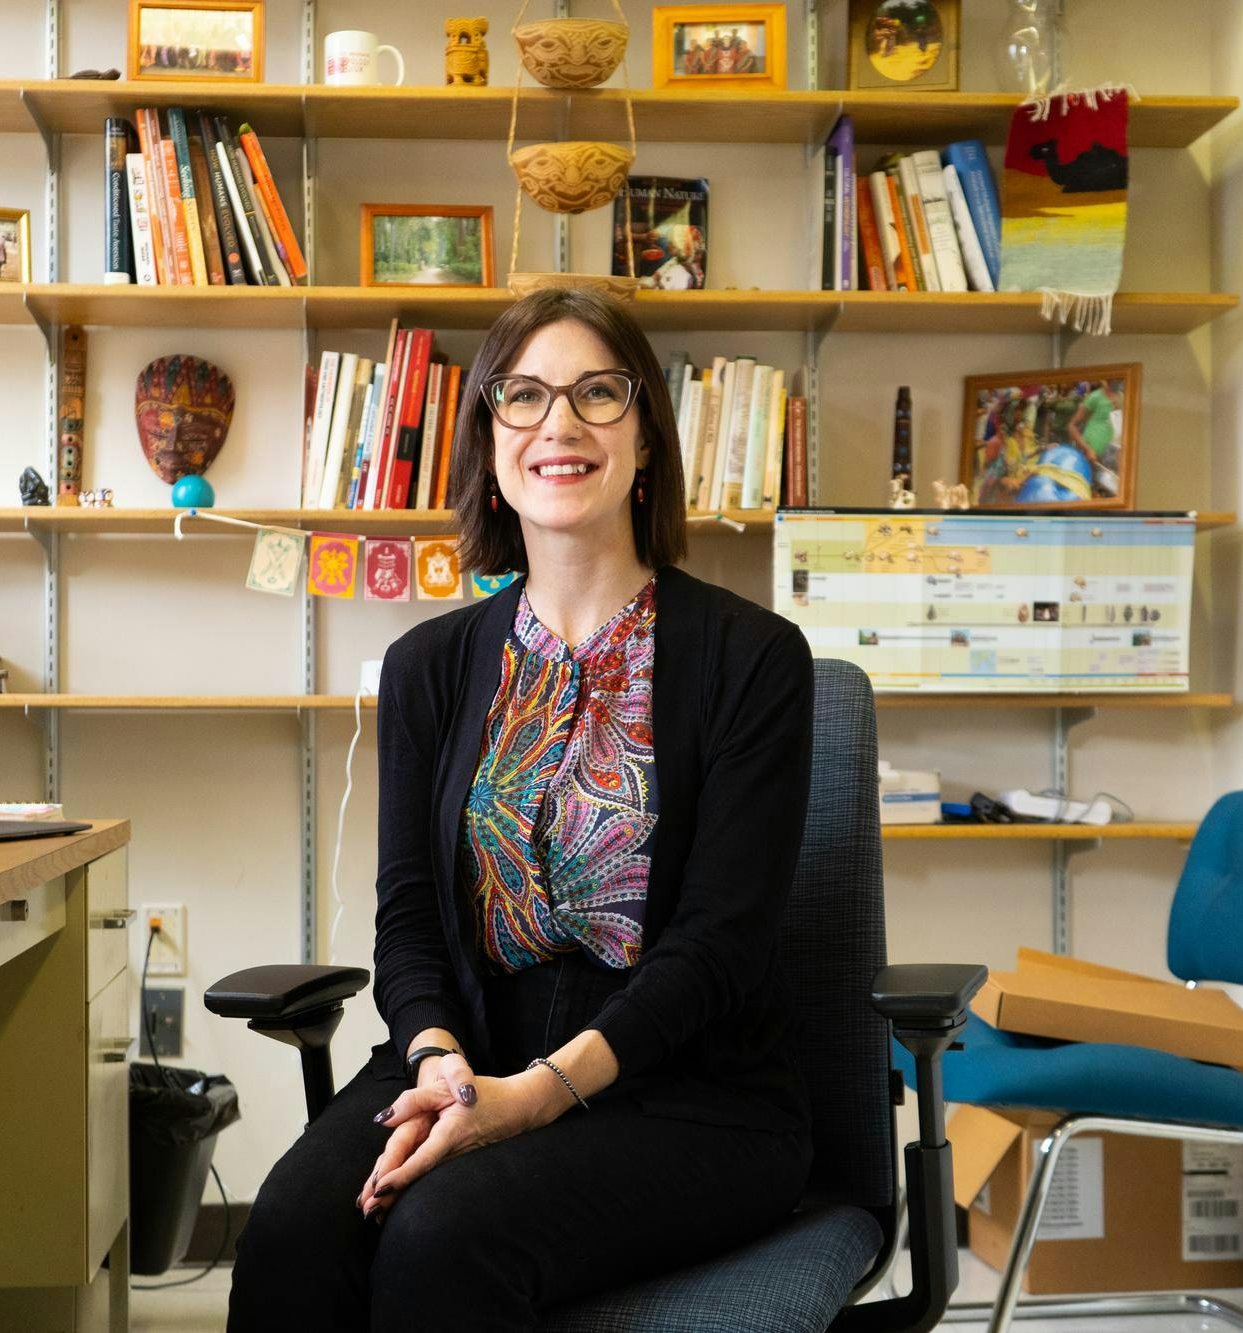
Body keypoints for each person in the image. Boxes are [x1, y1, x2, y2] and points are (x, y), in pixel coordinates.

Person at [231, 286, 816, 1331]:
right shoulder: (428, 665)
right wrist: (441, 1064)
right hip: (469, 1049)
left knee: (438, 1237)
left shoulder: (754, 658)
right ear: (490, 443)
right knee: (289, 1231)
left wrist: (532, 1096)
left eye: (598, 393)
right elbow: (409, 916)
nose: (560, 424)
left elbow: (721, 946)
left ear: (646, 437)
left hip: (684, 1087)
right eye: (525, 396)